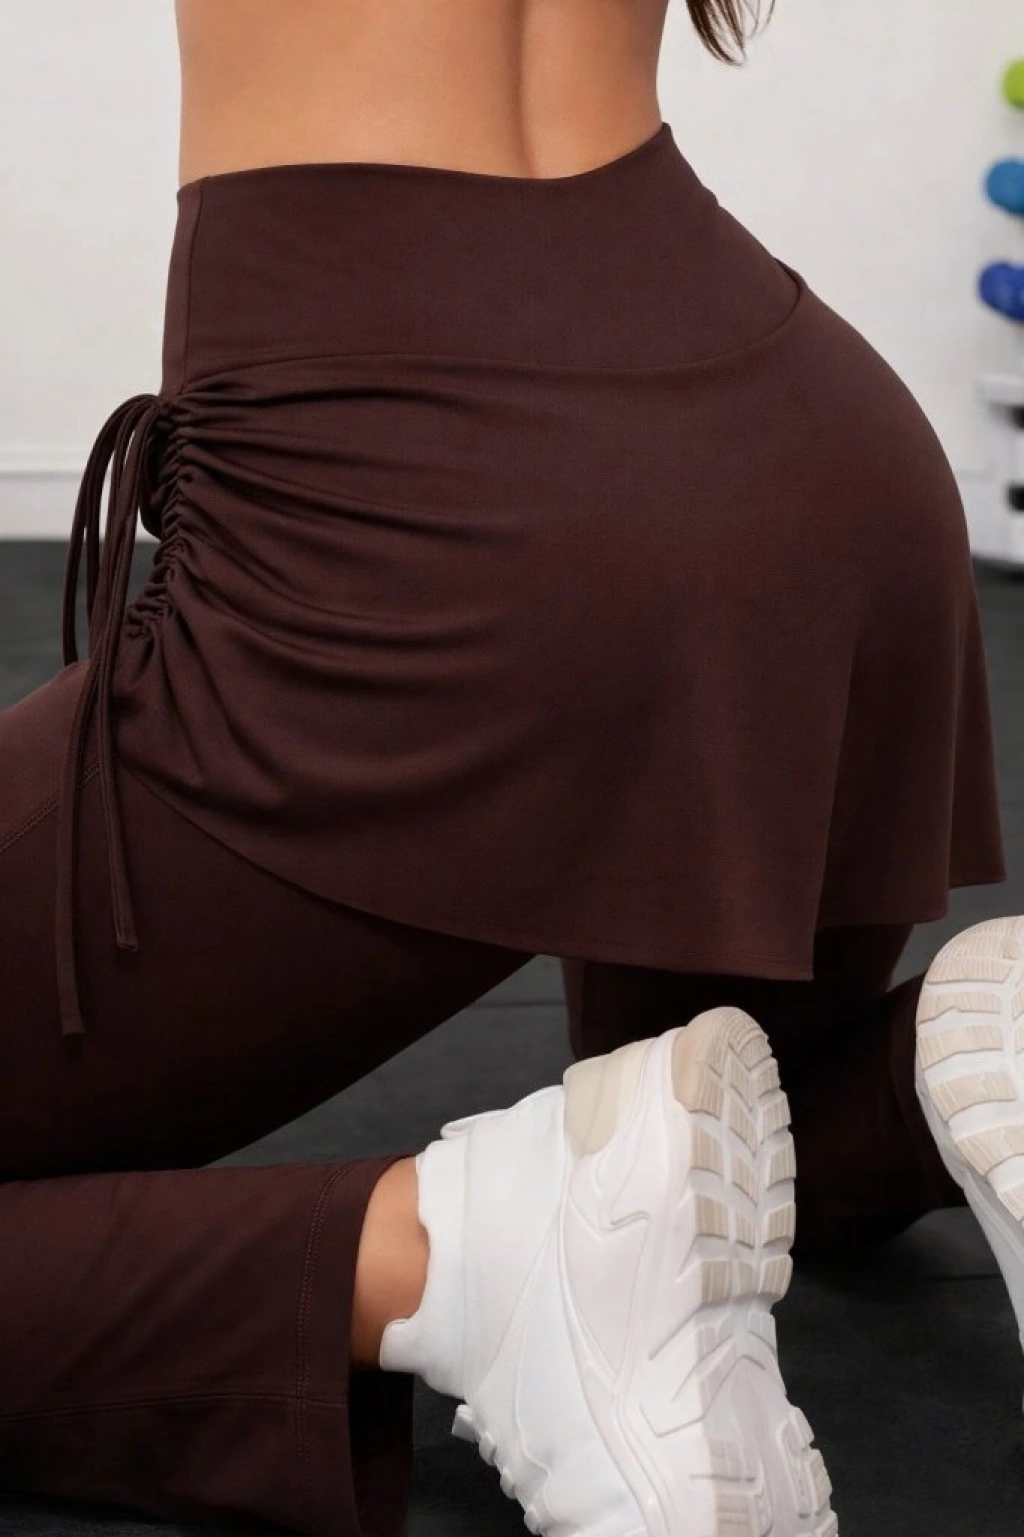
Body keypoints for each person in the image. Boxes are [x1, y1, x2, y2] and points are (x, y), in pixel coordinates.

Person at [0, 1, 1015, 1533]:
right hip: (808, 449)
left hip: (430, 528)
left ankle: (443, 1260)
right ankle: (950, 1058)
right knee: (713, 1123)